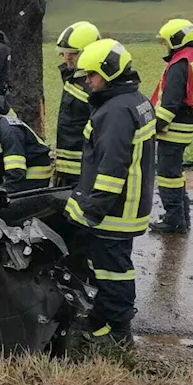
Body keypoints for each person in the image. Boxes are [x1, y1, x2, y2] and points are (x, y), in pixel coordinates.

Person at [64, 37, 157, 350]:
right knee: (113, 267)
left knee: (112, 272)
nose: (88, 81)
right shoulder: (135, 100)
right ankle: (104, 324)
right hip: (128, 205)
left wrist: (92, 210)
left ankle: (118, 336)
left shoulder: (115, 112)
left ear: (108, 72)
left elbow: (112, 167)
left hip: (115, 211)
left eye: (91, 75)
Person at [149, 18, 193, 234]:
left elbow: (170, 103)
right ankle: (181, 217)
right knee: (175, 172)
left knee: (167, 174)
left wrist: (153, 127)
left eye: (166, 42)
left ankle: (174, 221)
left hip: (173, 129)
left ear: (176, 39)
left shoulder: (179, 64)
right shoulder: (191, 58)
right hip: (184, 126)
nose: (165, 46)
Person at [53, 21, 101, 188]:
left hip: (82, 170)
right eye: (64, 53)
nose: (66, 58)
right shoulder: (74, 79)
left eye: (71, 54)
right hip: (67, 168)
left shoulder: (93, 87)